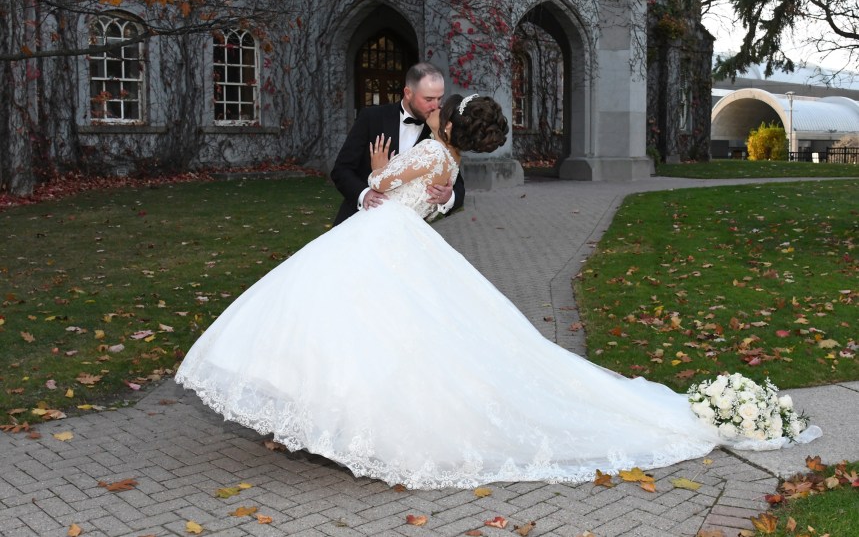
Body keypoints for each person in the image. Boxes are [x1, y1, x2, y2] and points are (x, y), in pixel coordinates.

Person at [175, 94, 819, 490]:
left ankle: (344, 426)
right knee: (371, 334)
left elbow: (379, 198)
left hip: (380, 242)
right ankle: (319, 423)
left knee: (360, 332)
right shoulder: (448, 166)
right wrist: (384, 182)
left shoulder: (430, 157)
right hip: (395, 244)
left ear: (448, 123)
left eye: (440, 108)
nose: (433, 109)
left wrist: (375, 174)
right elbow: (419, 205)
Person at [330, 62, 465, 225]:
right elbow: (341, 169)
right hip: (358, 222)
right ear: (408, 93)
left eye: (439, 98)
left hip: (408, 233)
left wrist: (448, 197)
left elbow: (457, 185)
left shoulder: (438, 130)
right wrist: (364, 194)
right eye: (428, 99)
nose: (436, 106)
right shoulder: (372, 118)